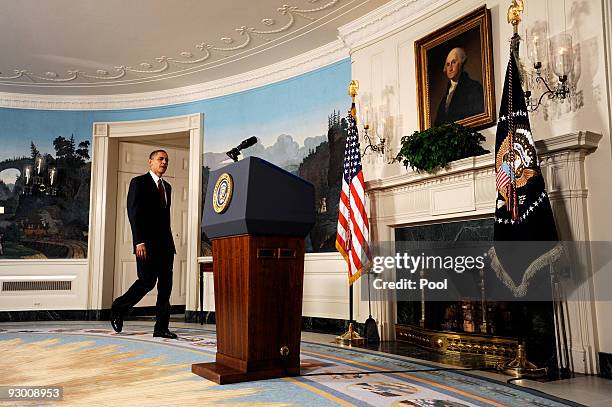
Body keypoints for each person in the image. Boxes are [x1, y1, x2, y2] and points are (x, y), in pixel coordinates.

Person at [111, 150, 177, 339]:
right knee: (147, 282)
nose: (164, 162)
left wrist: (170, 244)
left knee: (166, 287)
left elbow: (165, 219)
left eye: (166, 160)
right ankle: (119, 307)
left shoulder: (168, 187)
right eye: (160, 159)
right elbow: (134, 214)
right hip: (145, 244)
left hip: (166, 245)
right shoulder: (138, 183)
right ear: (150, 162)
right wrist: (139, 241)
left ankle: (161, 328)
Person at [433, 47, 484, 126]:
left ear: (461, 63)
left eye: (453, 62)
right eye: (448, 64)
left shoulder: (474, 88)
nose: (450, 68)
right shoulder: (444, 98)